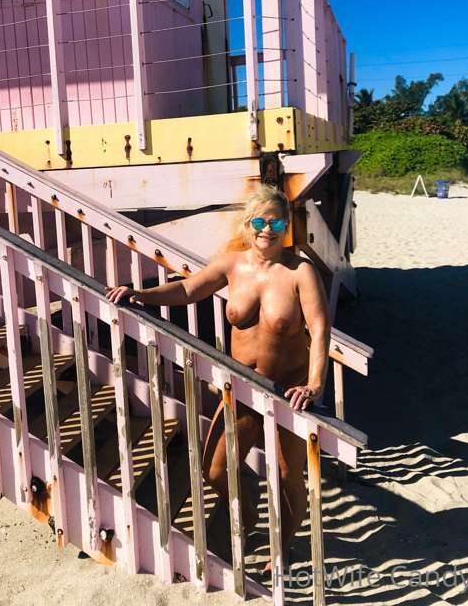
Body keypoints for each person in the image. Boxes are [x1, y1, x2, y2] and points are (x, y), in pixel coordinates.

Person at [105, 184, 330, 565]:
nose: (267, 229)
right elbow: (187, 289)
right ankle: (249, 508)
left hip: (287, 390)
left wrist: (314, 385)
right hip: (242, 388)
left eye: (276, 222)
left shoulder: (300, 271)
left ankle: (282, 548)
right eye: (259, 221)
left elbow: (320, 329)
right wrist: (140, 295)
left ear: (286, 225)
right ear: (248, 224)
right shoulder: (233, 264)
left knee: (288, 476)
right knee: (216, 470)